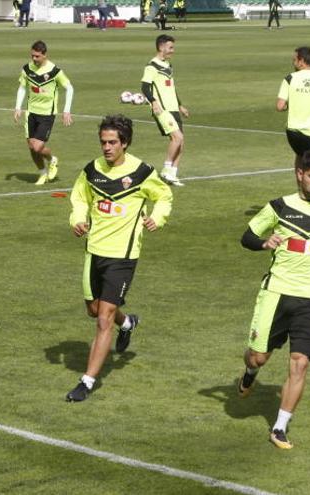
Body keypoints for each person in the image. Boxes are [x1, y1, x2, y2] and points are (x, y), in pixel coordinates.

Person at [236, 149, 310, 449]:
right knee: (259, 356)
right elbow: (246, 237)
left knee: (299, 364)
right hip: (276, 294)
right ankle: (250, 372)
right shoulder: (278, 207)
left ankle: (280, 427)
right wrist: (264, 242)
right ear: (300, 174)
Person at [65, 115, 173, 402]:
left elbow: (163, 196)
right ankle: (127, 324)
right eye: (103, 142)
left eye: (113, 142)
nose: (107, 148)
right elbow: (78, 197)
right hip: (94, 251)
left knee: (103, 320)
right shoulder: (92, 171)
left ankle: (86, 382)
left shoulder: (142, 172)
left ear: (125, 143)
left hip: (123, 256)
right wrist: (78, 218)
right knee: (94, 310)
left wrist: (157, 218)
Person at [14, 40, 74, 186]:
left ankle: (52, 160)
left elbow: (69, 88)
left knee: (37, 147)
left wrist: (66, 111)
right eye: (32, 56)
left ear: (44, 55)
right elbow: (22, 88)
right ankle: (42, 173)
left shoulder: (55, 71)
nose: (34, 59)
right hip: (31, 112)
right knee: (31, 147)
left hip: (47, 113)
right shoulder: (27, 69)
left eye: (37, 56)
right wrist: (17, 107)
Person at [141, 35, 188, 186]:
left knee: (181, 144)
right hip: (162, 109)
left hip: (173, 108)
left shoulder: (168, 66)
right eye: (170, 48)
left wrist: (180, 105)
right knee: (177, 138)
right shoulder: (151, 67)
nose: (172, 51)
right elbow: (145, 87)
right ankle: (166, 169)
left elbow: (171, 88)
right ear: (161, 47)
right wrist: (153, 102)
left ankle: (172, 174)